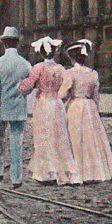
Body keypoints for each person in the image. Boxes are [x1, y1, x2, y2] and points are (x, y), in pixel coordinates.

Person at [18, 36, 81, 185]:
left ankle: (47, 172)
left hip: (43, 104)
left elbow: (27, 86)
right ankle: (62, 170)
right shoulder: (60, 69)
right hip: (57, 103)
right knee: (59, 137)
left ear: (41, 53)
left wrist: (19, 88)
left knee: (43, 135)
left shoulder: (38, 68)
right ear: (55, 52)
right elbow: (66, 88)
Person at [60, 40, 112, 183]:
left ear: (72, 58)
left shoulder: (70, 73)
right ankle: (92, 171)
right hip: (90, 107)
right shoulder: (93, 74)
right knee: (91, 139)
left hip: (75, 106)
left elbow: (63, 94)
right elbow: (96, 95)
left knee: (74, 138)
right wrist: (95, 110)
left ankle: (76, 173)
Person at [0, 26, 32, 188]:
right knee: (16, 142)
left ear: (3, 43)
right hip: (18, 107)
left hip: (0, 108)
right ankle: (16, 178)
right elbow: (30, 85)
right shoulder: (25, 64)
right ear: (17, 43)